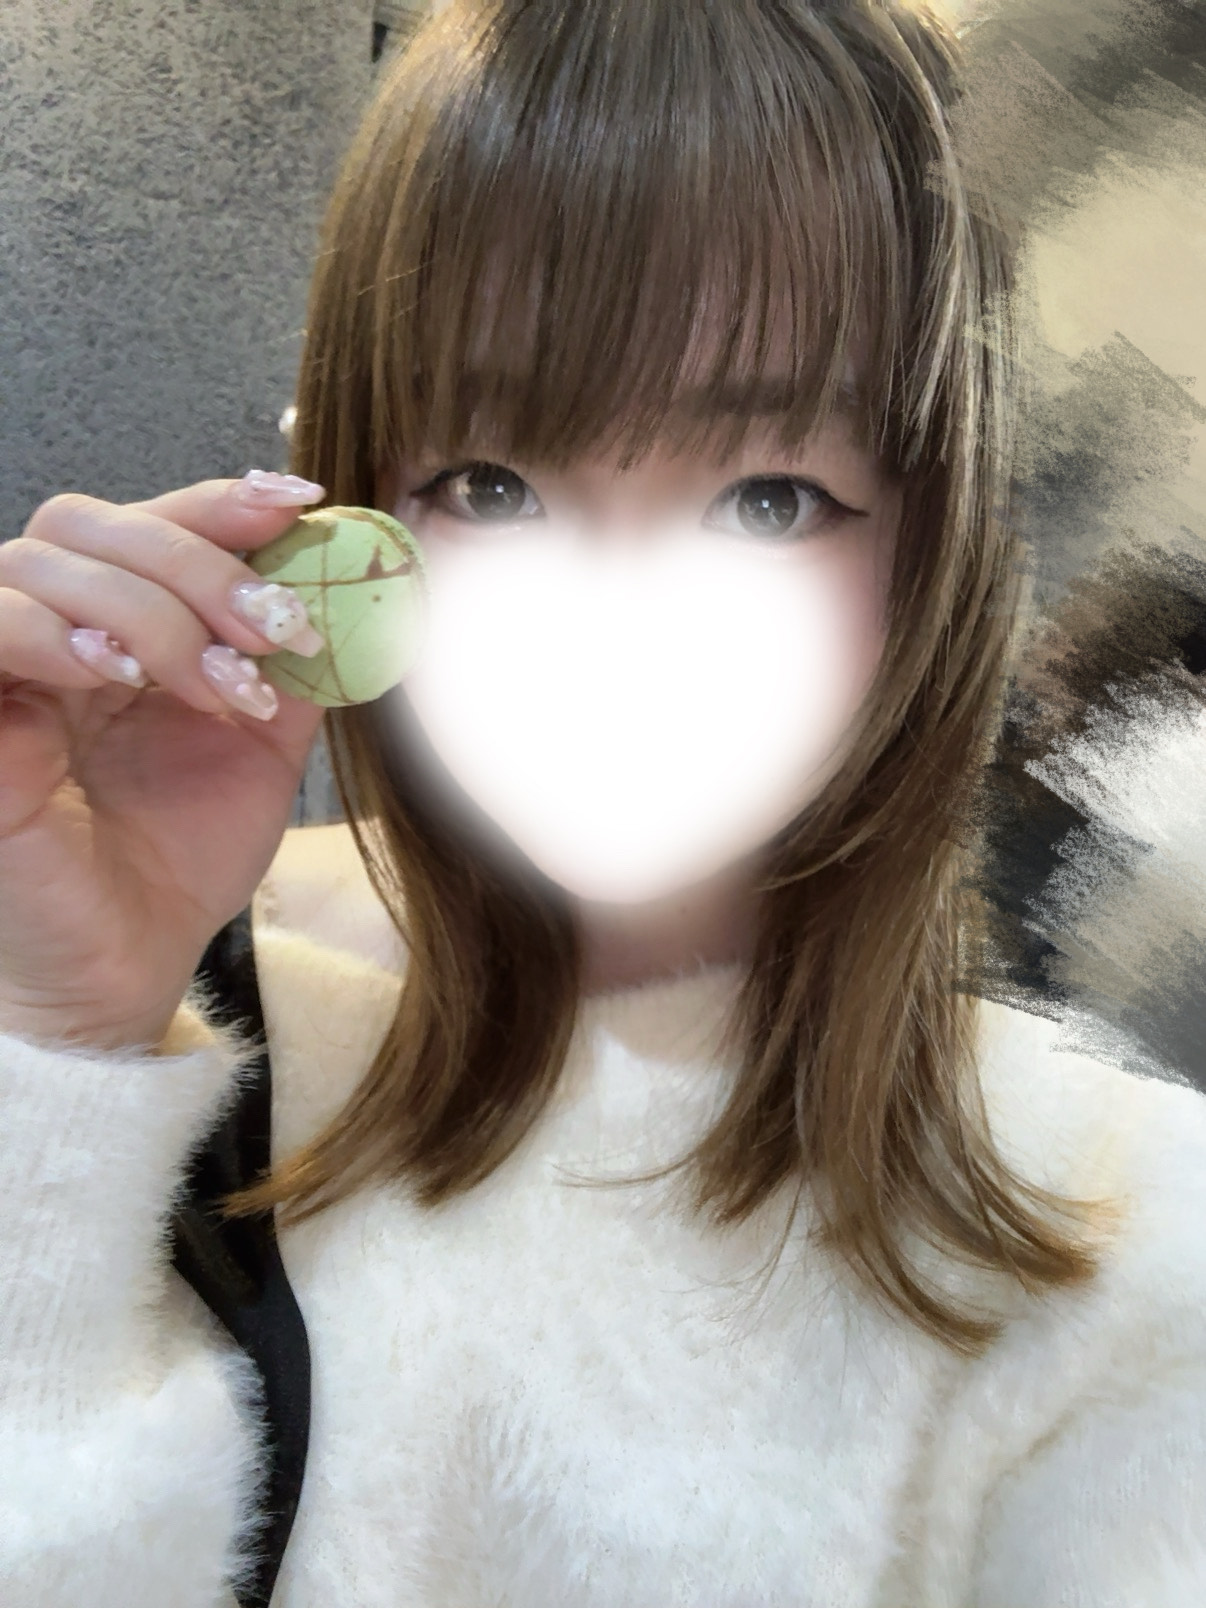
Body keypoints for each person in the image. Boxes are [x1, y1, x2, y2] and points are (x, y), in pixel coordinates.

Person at [2, 2, 1205, 1604]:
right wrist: (63, 1047)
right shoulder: (163, 1013)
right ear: (346, 513)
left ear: (930, 554)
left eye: (768, 499)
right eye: (491, 486)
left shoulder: (1123, 1225)